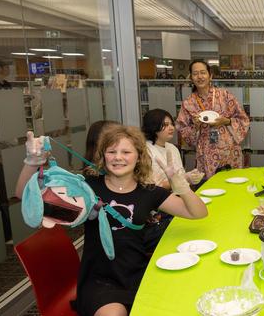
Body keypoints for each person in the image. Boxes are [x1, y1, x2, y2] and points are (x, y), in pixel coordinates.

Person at [15, 125, 208, 316]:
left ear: (139, 156)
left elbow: (198, 213)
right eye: (111, 151)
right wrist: (33, 161)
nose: (118, 157)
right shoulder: (87, 186)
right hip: (99, 280)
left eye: (126, 151)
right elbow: (24, 194)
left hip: (138, 273)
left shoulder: (149, 192)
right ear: (103, 156)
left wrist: (179, 184)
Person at [176, 60, 250, 178]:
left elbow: (243, 119)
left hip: (229, 151)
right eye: (195, 74)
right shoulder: (188, 103)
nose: (199, 77)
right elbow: (182, 129)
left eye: (203, 73)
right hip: (206, 153)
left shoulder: (225, 95)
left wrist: (226, 121)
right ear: (191, 78)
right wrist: (196, 126)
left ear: (210, 75)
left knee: (232, 184)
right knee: (211, 188)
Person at [142, 108, 204, 189]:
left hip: (179, 193)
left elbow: (180, 175)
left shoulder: (172, 148)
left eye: (172, 124)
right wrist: (185, 178)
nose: (171, 128)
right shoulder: (146, 150)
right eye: (166, 125)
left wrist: (191, 176)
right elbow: (152, 186)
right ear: (153, 126)